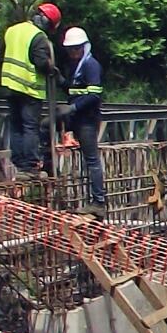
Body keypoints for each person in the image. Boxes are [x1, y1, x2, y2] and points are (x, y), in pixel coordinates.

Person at [0, 1, 61, 173]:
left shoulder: (12, 30)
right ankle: (30, 165)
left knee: (16, 126)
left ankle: (18, 162)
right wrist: (52, 69)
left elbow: (1, 55)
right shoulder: (38, 36)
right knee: (30, 127)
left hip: (10, 86)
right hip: (29, 88)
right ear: (47, 22)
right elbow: (41, 63)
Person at [59, 25, 107, 207]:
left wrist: (73, 107)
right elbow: (74, 90)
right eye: (70, 49)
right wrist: (61, 81)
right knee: (45, 126)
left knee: (92, 160)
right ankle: (44, 165)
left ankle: (98, 201)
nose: (73, 53)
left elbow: (94, 95)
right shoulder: (75, 67)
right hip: (76, 118)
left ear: (84, 47)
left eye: (76, 49)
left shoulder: (90, 65)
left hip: (87, 119)